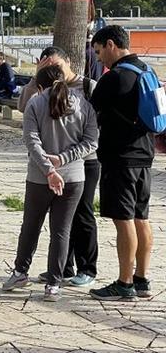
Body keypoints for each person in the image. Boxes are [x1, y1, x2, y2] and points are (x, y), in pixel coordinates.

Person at [2, 65, 98, 302]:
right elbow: (91, 141)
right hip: (74, 176)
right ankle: (54, 284)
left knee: (31, 226)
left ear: (40, 85)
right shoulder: (82, 103)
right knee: (61, 232)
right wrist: (63, 160)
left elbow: (31, 141)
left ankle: (20, 272)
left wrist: (48, 170)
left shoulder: (35, 103)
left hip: (39, 177)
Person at [88, 25, 155, 301]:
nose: (99, 57)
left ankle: (124, 283)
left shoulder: (114, 77)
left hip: (120, 159)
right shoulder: (147, 71)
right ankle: (141, 279)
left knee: (123, 220)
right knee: (141, 218)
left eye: (99, 50)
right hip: (145, 155)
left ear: (112, 44)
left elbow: (93, 109)